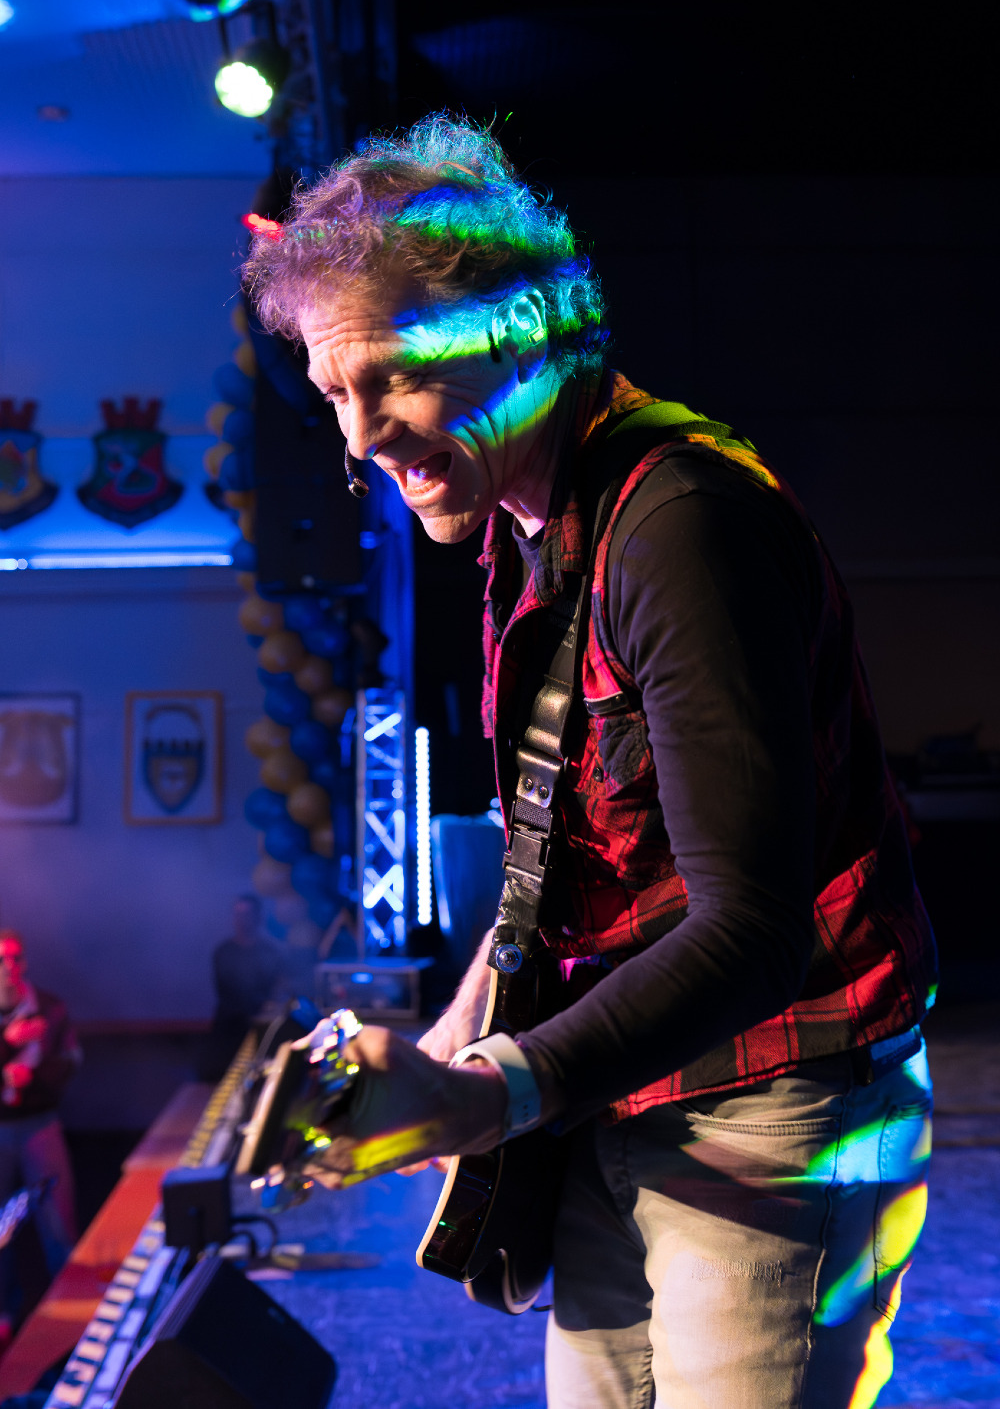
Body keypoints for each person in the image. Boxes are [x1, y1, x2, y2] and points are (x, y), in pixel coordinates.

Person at [244, 117, 937, 1409]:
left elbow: (753, 936)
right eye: (335, 393)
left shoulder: (679, 524)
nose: (361, 437)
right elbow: (552, 864)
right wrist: (451, 1041)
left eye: (390, 377)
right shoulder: (530, 521)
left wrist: (488, 1095)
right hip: (625, 1088)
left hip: (773, 1106)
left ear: (516, 333)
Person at [0, 928, 80, 1341]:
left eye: (15, 958)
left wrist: (32, 1076)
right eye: (0, 960)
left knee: (58, 1221)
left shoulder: (49, 1008)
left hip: (39, 1123)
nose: (8, 968)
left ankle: (70, 1315)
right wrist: (5, 1045)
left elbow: (70, 1062)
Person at [203, 895, 285, 1080]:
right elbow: (227, 992)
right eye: (238, 914)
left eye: (247, 914)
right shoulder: (224, 952)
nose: (241, 920)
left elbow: (278, 989)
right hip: (229, 1033)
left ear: (258, 917)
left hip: (262, 1032)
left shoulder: (270, 952)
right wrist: (258, 1005)